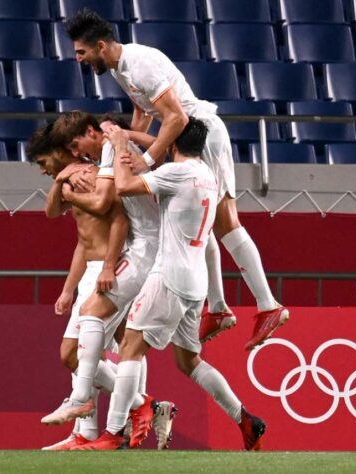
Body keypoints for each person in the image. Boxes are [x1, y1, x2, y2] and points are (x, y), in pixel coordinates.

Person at [65, 8, 289, 350]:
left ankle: (267, 305)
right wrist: (128, 147)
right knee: (205, 220)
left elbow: (176, 116)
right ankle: (217, 307)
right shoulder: (117, 67)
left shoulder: (140, 62)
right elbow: (143, 110)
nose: (78, 59)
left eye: (81, 52)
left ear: (100, 45)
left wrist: (147, 160)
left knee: (226, 221)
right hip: (181, 139)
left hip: (202, 135)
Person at [74, 118, 266, 451]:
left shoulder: (176, 174)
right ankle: (244, 418)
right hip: (196, 284)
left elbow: (124, 187)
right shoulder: (206, 173)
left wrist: (120, 145)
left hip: (169, 277)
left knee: (131, 346)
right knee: (188, 362)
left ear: (173, 143)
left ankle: (112, 432)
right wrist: (135, 137)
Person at [39, 111, 177, 449]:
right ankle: (127, 412)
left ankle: (92, 404)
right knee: (103, 342)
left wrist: (106, 264)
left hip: (149, 251)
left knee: (99, 326)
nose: (78, 153)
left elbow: (106, 205)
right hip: (139, 250)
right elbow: (81, 226)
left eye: (76, 145)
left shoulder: (112, 151)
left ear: (90, 132)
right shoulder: (105, 153)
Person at [26, 122, 128, 450]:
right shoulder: (69, 176)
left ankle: (144, 406)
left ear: (57, 154)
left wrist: (109, 265)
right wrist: (68, 290)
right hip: (91, 272)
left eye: (44, 164)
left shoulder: (88, 176)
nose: (43, 171)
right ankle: (86, 433)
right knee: (80, 354)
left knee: (78, 353)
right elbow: (60, 219)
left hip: (108, 270)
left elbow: (114, 218)